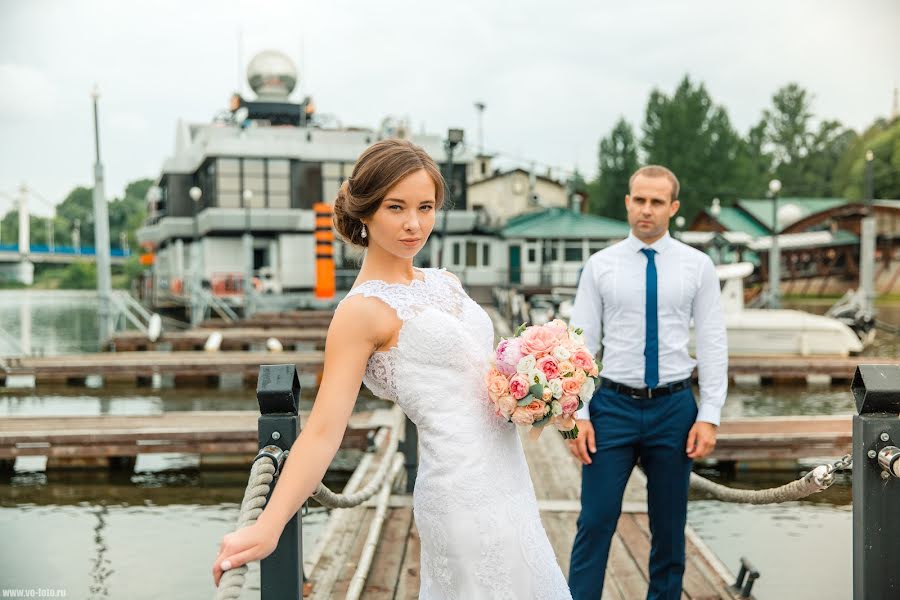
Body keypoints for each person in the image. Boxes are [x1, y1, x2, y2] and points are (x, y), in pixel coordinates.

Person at [212, 139, 572, 599]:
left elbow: (482, 377)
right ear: (365, 211)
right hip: (459, 490)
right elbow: (324, 431)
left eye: (425, 207)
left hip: (510, 479)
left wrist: (543, 391)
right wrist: (268, 525)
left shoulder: (446, 282)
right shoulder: (360, 312)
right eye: (395, 207)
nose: (413, 224)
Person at [566, 165, 727, 600]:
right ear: (627, 202)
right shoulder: (601, 267)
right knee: (595, 521)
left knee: (670, 530)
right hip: (612, 406)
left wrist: (709, 416)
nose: (646, 210)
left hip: (674, 408)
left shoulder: (698, 266)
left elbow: (712, 343)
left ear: (673, 208)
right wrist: (577, 414)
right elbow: (581, 345)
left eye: (657, 202)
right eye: (639, 200)